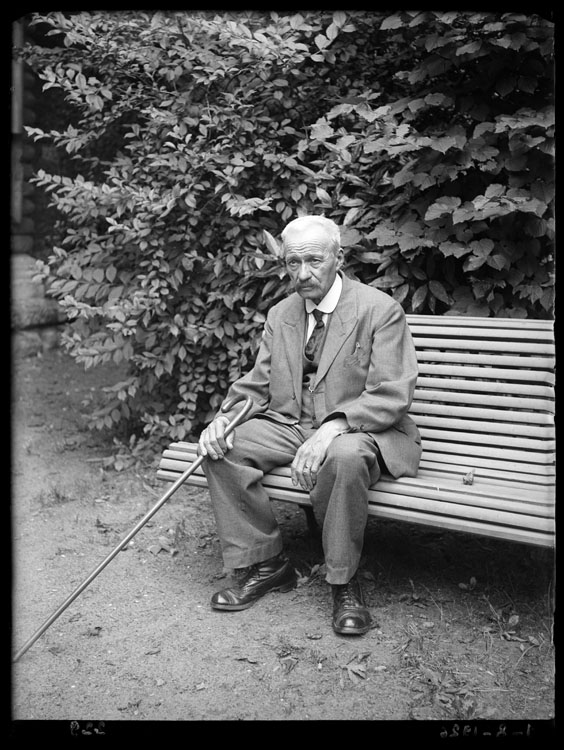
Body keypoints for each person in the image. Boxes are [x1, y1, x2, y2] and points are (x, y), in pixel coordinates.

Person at [197, 215, 422, 635]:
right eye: (292, 263)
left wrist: (334, 426)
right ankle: (266, 564)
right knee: (223, 447)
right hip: (292, 423)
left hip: (361, 430)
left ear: (339, 257)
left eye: (314, 261)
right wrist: (224, 420)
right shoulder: (281, 313)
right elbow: (256, 385)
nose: (303, 274)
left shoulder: (379, 309)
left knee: (344, 457)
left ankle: (344, 582)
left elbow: (393, 391)